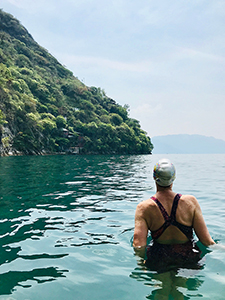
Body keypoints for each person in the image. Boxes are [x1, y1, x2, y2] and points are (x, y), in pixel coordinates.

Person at [133, 158, 215, 273]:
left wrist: (142, 266)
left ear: (154, 177)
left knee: (161, 289)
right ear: (173, 178)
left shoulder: (144, 208)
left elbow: (138, 244)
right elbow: (207, 241)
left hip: (159, 259)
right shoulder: (191, 202)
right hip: (188, 257)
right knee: (182, 288)